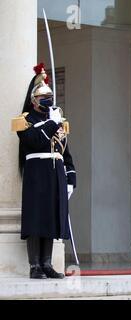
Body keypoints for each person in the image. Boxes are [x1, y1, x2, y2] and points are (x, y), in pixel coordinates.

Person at [12, 63, 76, 279]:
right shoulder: (25, 121)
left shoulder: (58, 121)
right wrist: (51, 124)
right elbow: (34, 142)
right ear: (34, 101)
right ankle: (35, 266)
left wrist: (70, 178)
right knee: (36, 216)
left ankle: (47, 263)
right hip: (37, 173)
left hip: (55, 173)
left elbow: (65, 152)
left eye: (49, 97)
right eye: (43, 98)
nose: (47, 101)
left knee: (51, 216)